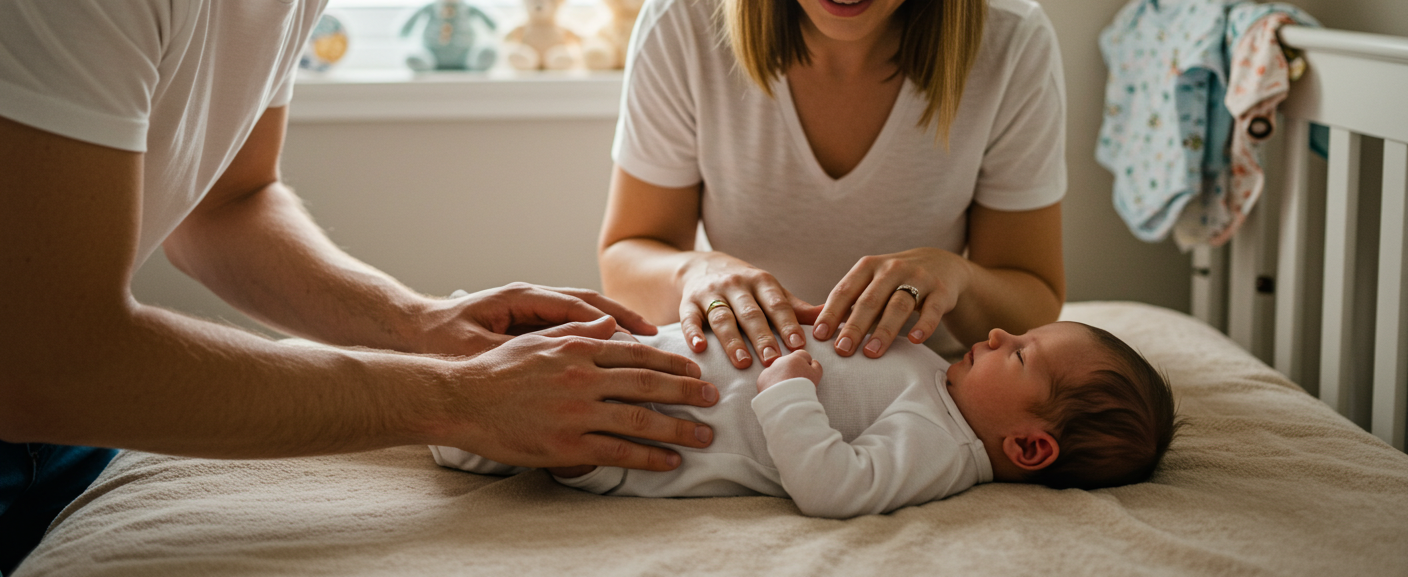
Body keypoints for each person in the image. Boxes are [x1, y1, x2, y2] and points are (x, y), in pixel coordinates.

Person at [0, 0, 719, 570]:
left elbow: (227, 207)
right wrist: (458, 401)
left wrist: (421, 325)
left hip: (70, 437)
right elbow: (45, 359)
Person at [598, 0, 1067, 370]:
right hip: (746, 376)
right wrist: (695, 271)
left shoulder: (1012, 44)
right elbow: (625, 262)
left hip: (923, 390)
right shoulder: (684, 20)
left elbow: (1034, 304)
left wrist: (956, 279)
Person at [434, 321, 1181, 518]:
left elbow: (835, 486)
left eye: (1019, 358)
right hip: (674, 363)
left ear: (1027, 444)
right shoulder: (947, 380)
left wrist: (788, 386)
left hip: (661, 430)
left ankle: (459, 430)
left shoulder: (943, 447)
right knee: (544, 361)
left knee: (564, 425)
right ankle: (451, 384)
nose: (997, 337)